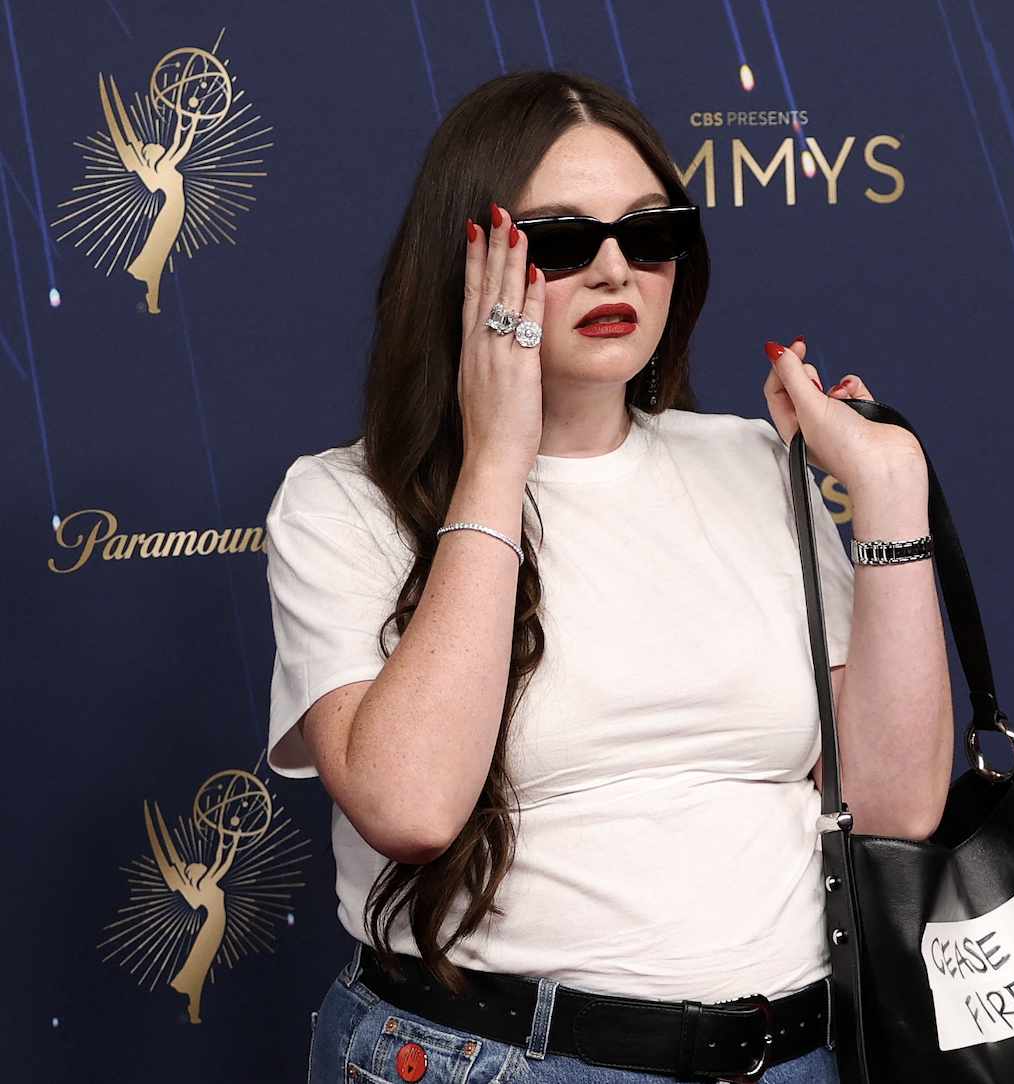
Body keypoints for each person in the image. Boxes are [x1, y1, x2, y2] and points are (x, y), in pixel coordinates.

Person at [265, 71, 953, 1084]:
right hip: (493, 1058)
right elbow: (409, 806)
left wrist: (890, 498)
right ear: (469, 263)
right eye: (558, 240)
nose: (615, 270)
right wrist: (498, 462)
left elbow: (894, 805)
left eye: (650, 231)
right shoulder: (341, 501)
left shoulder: (750, 464)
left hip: (799, 1057)